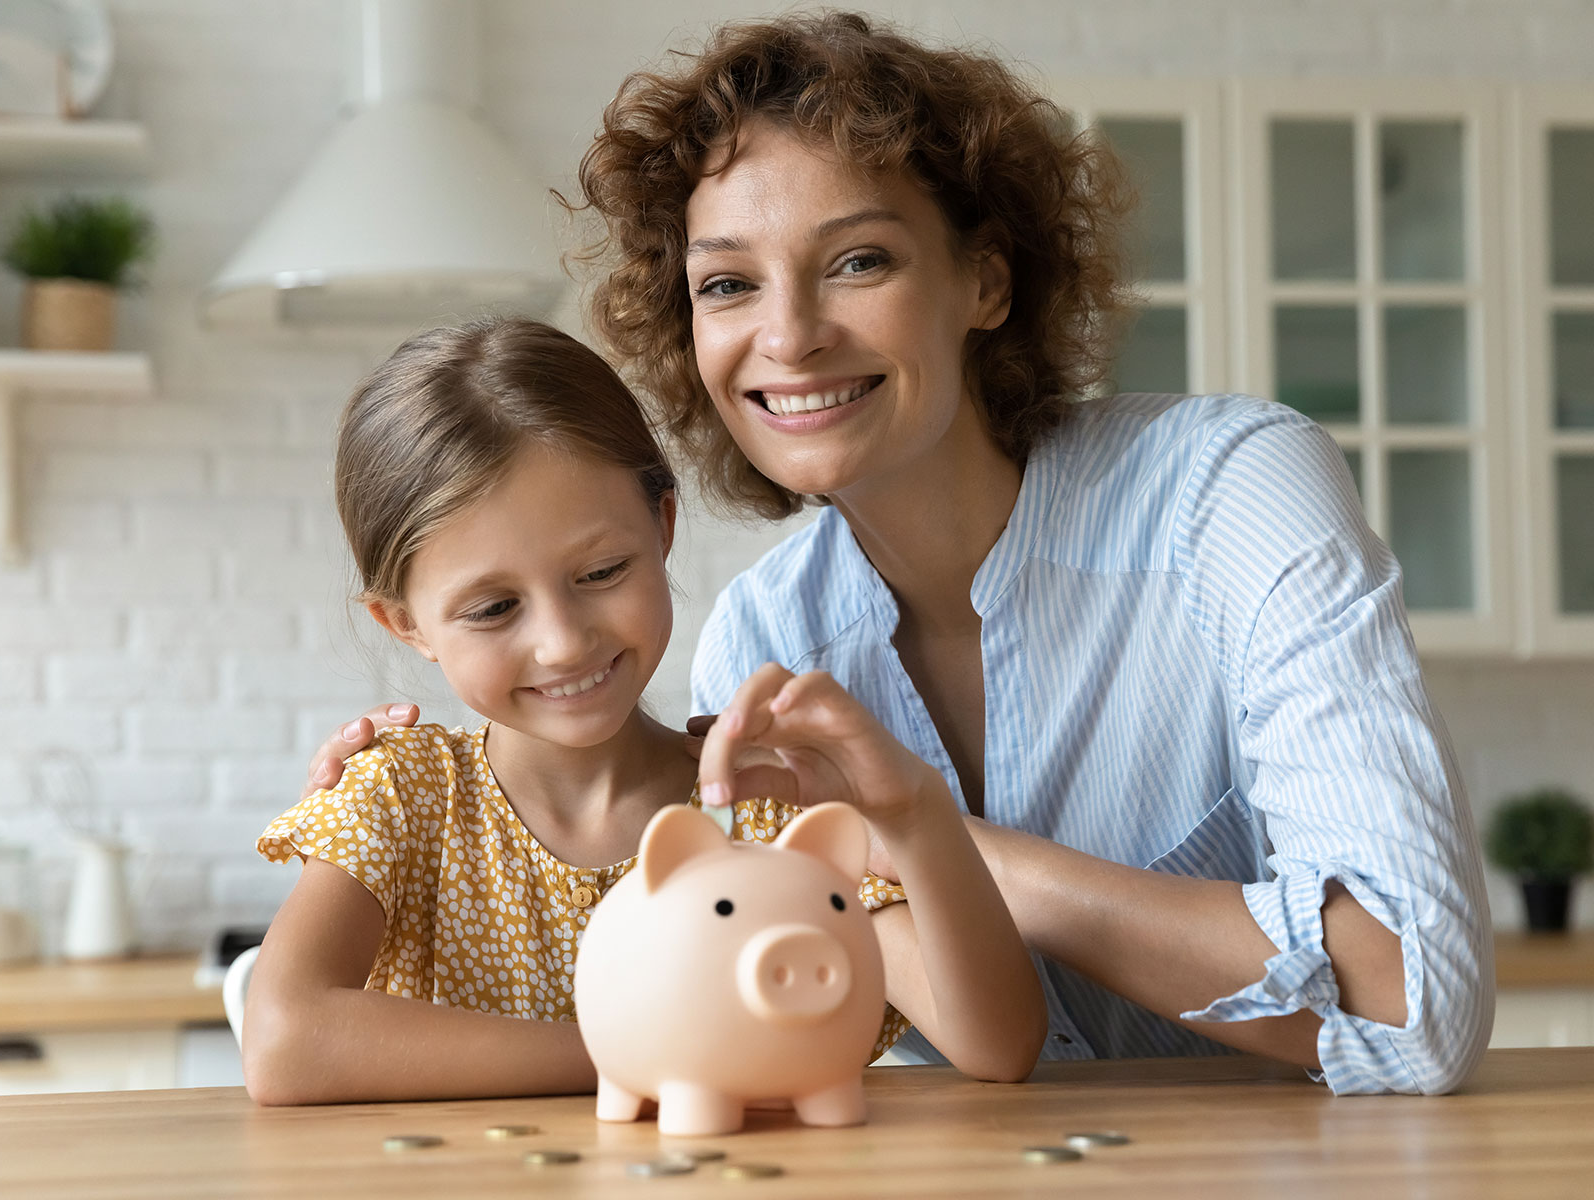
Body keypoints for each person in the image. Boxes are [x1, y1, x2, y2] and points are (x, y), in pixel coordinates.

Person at [308, 13, 1493, 1095]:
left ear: (985, 277)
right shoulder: (763, 645)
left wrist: (940, 841)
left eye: (859, 260)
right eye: (728, 283)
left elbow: (1415, 1001)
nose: (790, 336)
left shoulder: (1228, 494)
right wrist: (428, 795)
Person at [242, 317, 1044, 1105]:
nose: (562, 643)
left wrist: (914, 813)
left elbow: (997, 1046)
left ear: (661, 526)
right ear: (406, 624)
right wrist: (648, 1048)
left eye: (600, 572)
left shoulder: (760, 810)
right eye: (493, 609)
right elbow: (284, 1042)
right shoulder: (404, 797)